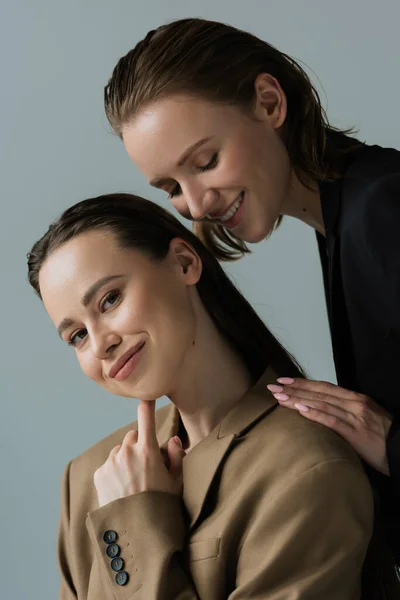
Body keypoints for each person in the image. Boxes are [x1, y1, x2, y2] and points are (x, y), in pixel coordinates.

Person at [103, 17, 400, 560]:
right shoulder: (343, 219)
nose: (196, 205)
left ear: (268, 103)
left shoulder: (382, 209)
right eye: (172, 187)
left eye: (205, 161)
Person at [27, 193, 373, 599]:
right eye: (78, 336)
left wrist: (134, 519)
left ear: (185, 263)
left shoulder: (307, 468)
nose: (100, 343)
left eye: (110, 299)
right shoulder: (87, 479)